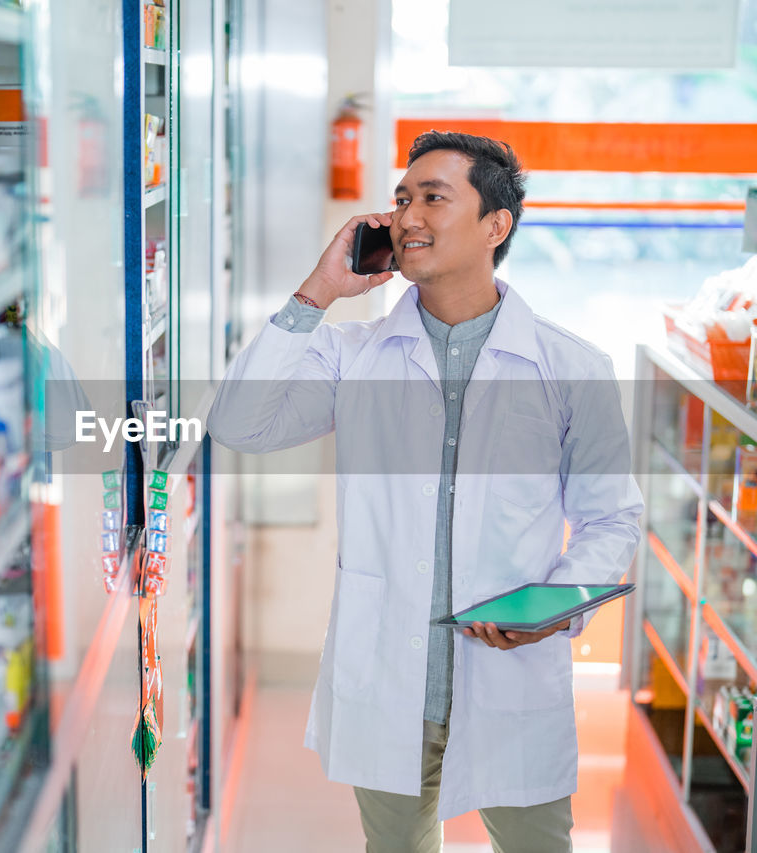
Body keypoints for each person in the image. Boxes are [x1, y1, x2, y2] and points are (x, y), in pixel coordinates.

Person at [206, 131, 643, 853]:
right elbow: (238, 423)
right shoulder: (356, 357)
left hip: (510, 677)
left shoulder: (570, 367)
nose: (408, 215)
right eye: (402, 199)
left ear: (496, 225)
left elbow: (611, 516)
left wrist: (555, 608)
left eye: (434, 198)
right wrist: (318, 292)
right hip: (391, 680)